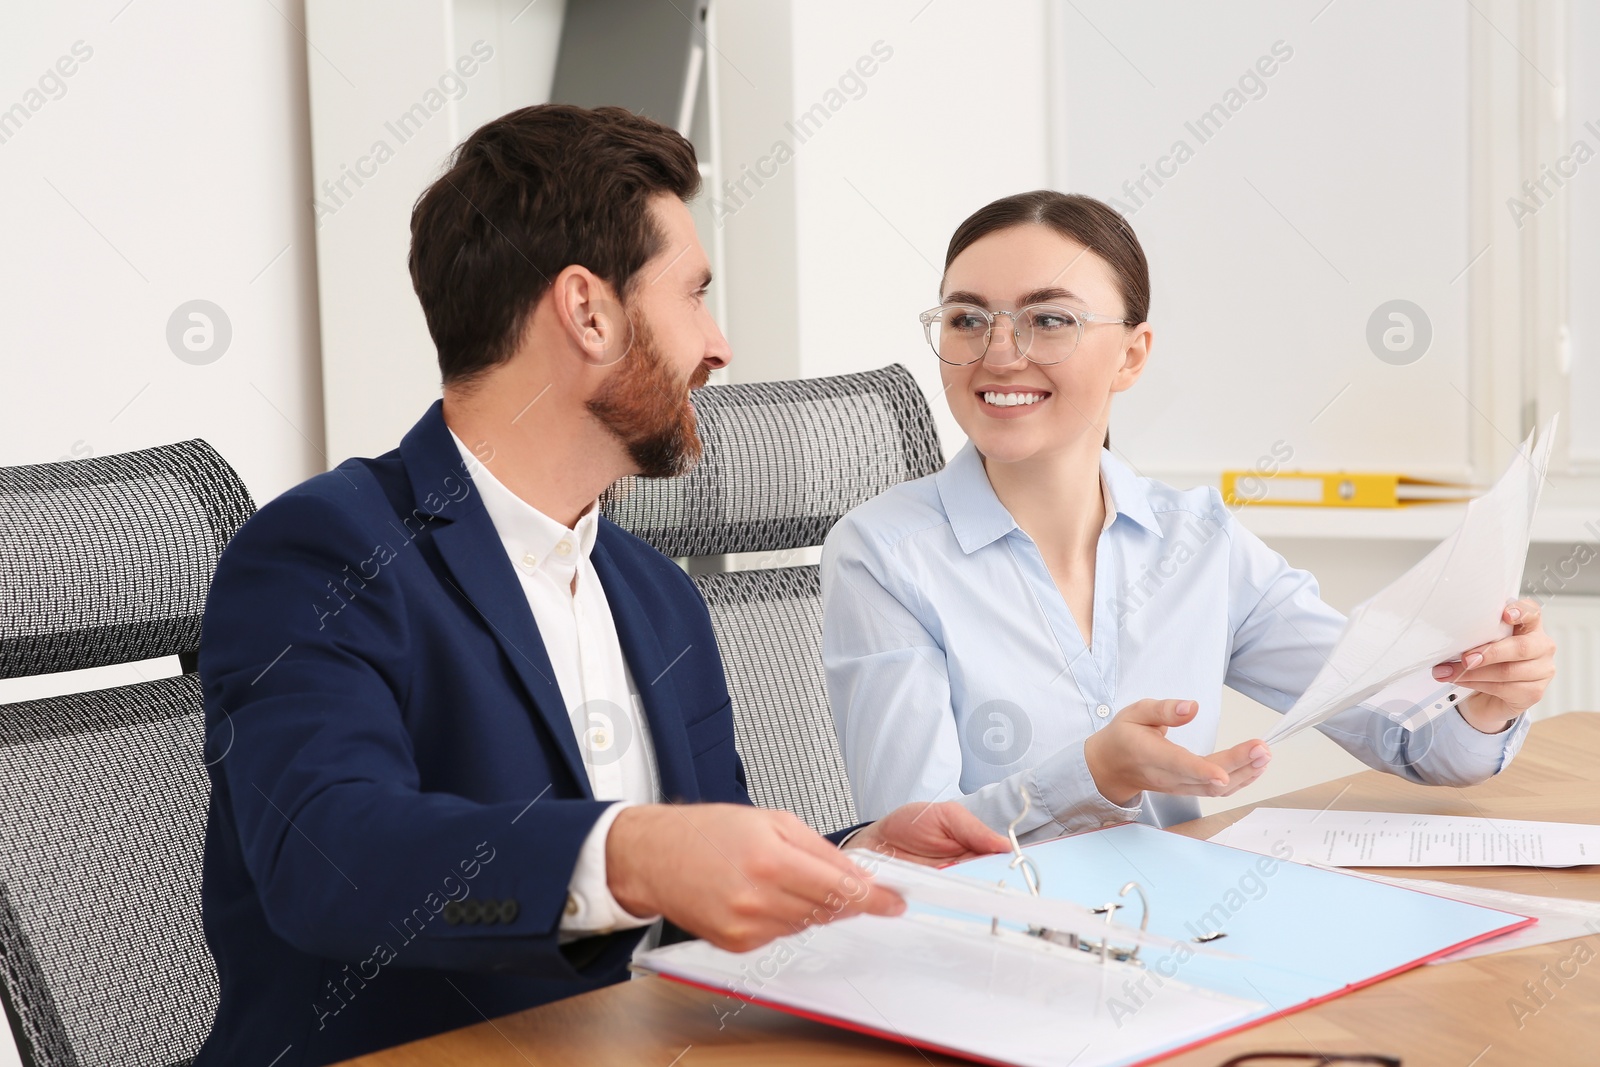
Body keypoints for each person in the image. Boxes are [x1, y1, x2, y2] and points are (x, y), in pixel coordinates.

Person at [195, 104, 1006, 1066]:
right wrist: (633, 853)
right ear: (589, 310)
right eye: (694, 294)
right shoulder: (325, 550)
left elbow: (696, 866)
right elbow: (330, 860)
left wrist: (852, 854)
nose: (719, 344)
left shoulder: (655, 593)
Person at [821, 190, 1556, 843]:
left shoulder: (1198, 539)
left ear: (1132, 357)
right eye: (967, 318)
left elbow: (1422, 744)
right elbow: (911, 845)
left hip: (1173, 941)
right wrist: (1091, 775)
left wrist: (1487, 700)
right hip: (988, 958)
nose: (1000, 352)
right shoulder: (885, 553)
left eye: (1049, 319)